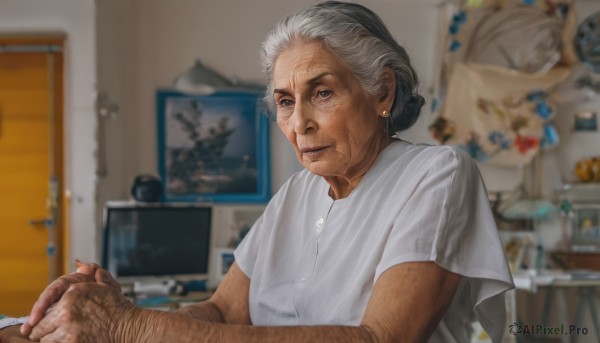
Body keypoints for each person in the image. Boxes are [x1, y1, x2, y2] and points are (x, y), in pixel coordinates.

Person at [1, 1, 514, 342]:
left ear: (382, 92)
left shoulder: (437, 174)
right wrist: (113, 312)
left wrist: (131, 327)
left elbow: (379, 339)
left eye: (323, 92)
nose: (300, 124)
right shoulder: (297, 193)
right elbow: (223, 312)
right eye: (286, 102)